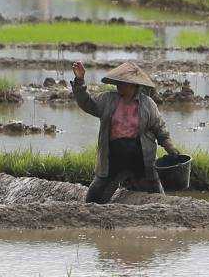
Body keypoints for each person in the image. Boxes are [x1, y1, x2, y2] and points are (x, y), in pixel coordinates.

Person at [72, 60, 181, 204]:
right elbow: (86, 103)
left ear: (133, 85)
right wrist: (80, 80)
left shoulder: (148, 104)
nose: (118, 86)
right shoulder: (108, 99)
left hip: (141, 157)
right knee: (93, 199)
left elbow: (160, 129)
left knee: (157, 198)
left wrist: (170, 148)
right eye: (117, 82)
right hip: (113, 157)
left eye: (122, 83)